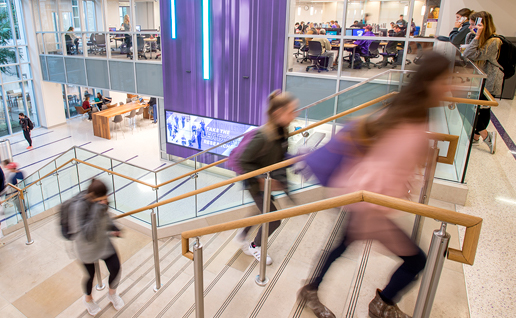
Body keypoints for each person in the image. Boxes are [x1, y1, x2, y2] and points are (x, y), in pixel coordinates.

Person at [298, 52, 451, 318]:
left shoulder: (406, 110)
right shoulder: (409, 120)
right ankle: (382, 303)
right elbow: (384, 164)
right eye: (446, 81)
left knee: (343, 245)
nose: (450, 88)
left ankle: (312, 289)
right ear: (430, 83)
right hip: (370, 204)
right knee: (416, 260)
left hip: (362, 197)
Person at [234, 90, 298, 265]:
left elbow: (280, 155)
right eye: (291, 111)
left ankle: (242, 236)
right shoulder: (262, 136)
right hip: (256, 183)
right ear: (278, 113)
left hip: (268, 180)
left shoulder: (282, 131)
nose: (295, 115)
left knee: (261, 210)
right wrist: (260, 180)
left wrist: (295, 159)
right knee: (274, 219)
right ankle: (255, 246)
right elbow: (242, 161)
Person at [68, 179, 124, 315]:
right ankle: (88, 299)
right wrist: (98, 209)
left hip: (103, 242)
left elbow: (104, 218)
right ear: (94, 196)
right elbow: (87, 234)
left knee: (116, 268)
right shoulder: (78, 207)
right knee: (90, 275)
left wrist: (114, 227)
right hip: (86, 247)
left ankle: (112, 294)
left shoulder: (99, 202)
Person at [463, 11, 502, 154]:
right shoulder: (472, 36)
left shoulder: (494, 42)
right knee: (469, 107)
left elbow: (469, 54)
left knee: (483, 109)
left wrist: (478, 36)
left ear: (483, 25)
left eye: (474, 24)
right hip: (474, 79)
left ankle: (485, 135)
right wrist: (475, 37)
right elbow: (467, 56)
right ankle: (477, 135)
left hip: (488, 80)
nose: (470, 27)